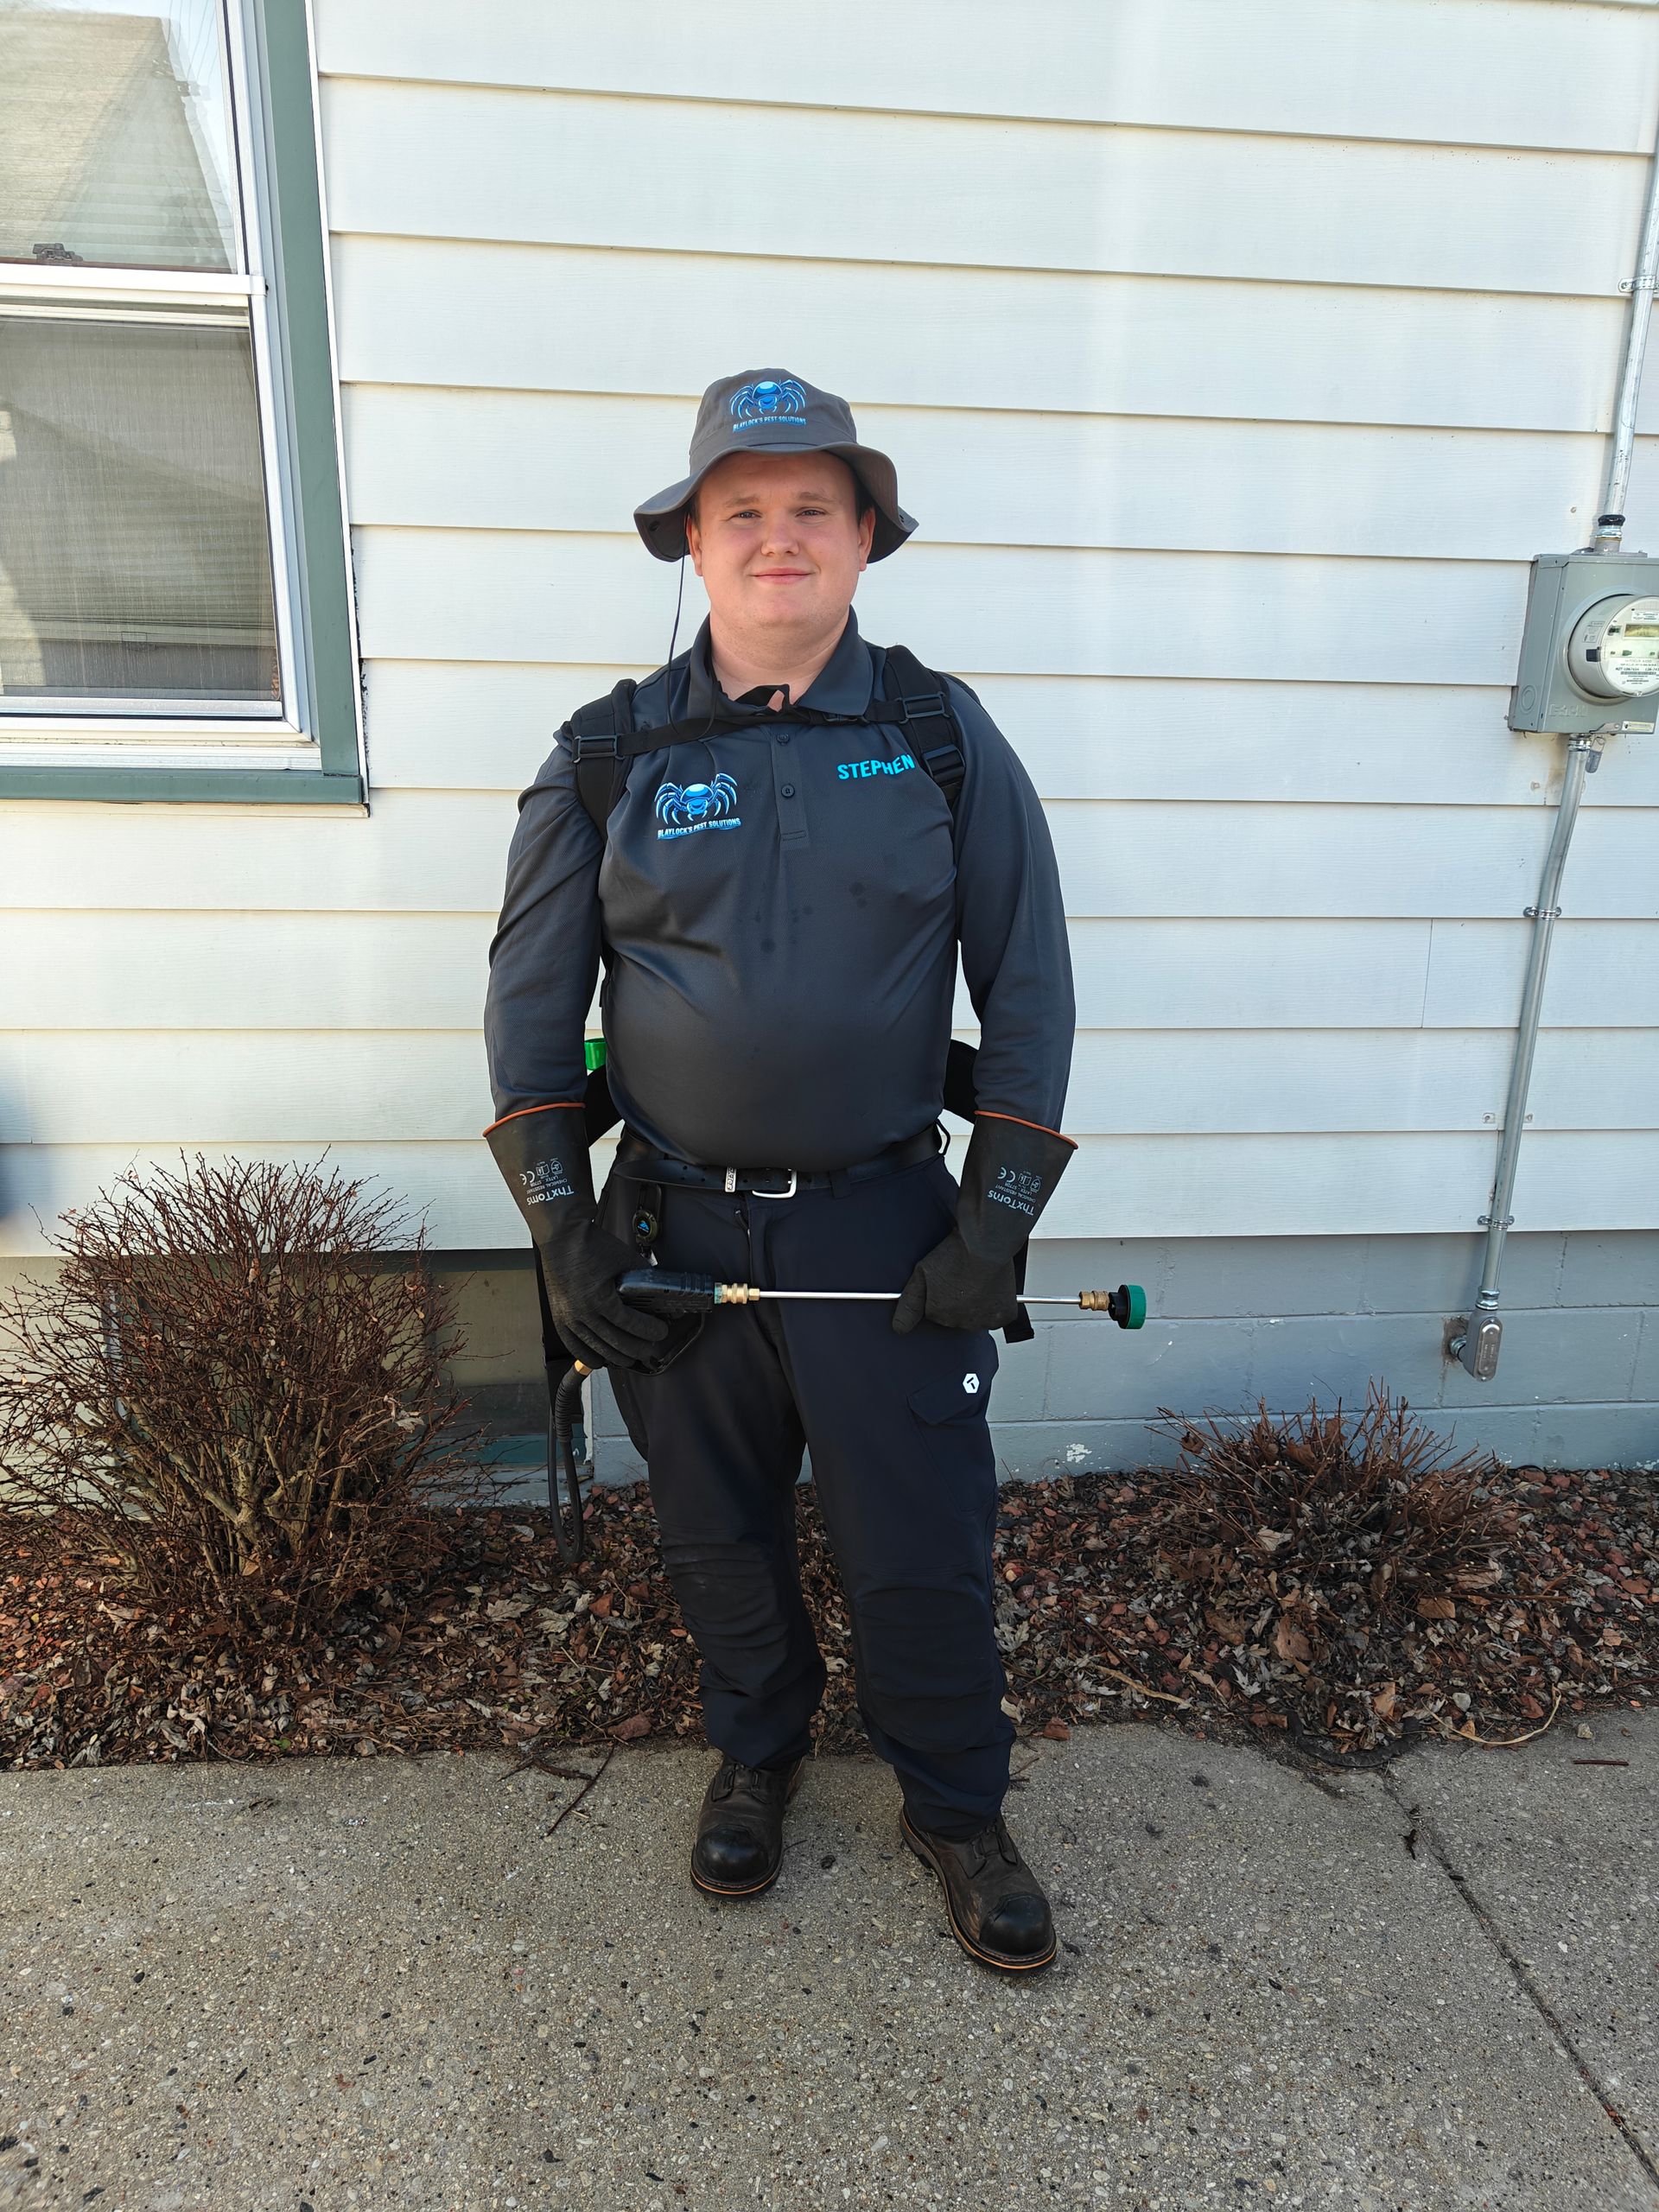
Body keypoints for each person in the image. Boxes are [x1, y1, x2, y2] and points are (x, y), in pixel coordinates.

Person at [482, 369, 1077, 1975]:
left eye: (814, 506)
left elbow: (1027, 989)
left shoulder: (943, 736)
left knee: (921, 1537)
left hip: (891, 1224)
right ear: (690, 537)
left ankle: (956, 1804)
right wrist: (561, 1241)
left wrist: (997, 1223)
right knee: (713, 1527)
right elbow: (532, 1016)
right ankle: (757, 1754)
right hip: (672, 1226)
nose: (779, 537)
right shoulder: (610, 755)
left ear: (866, 535)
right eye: (742, 509)